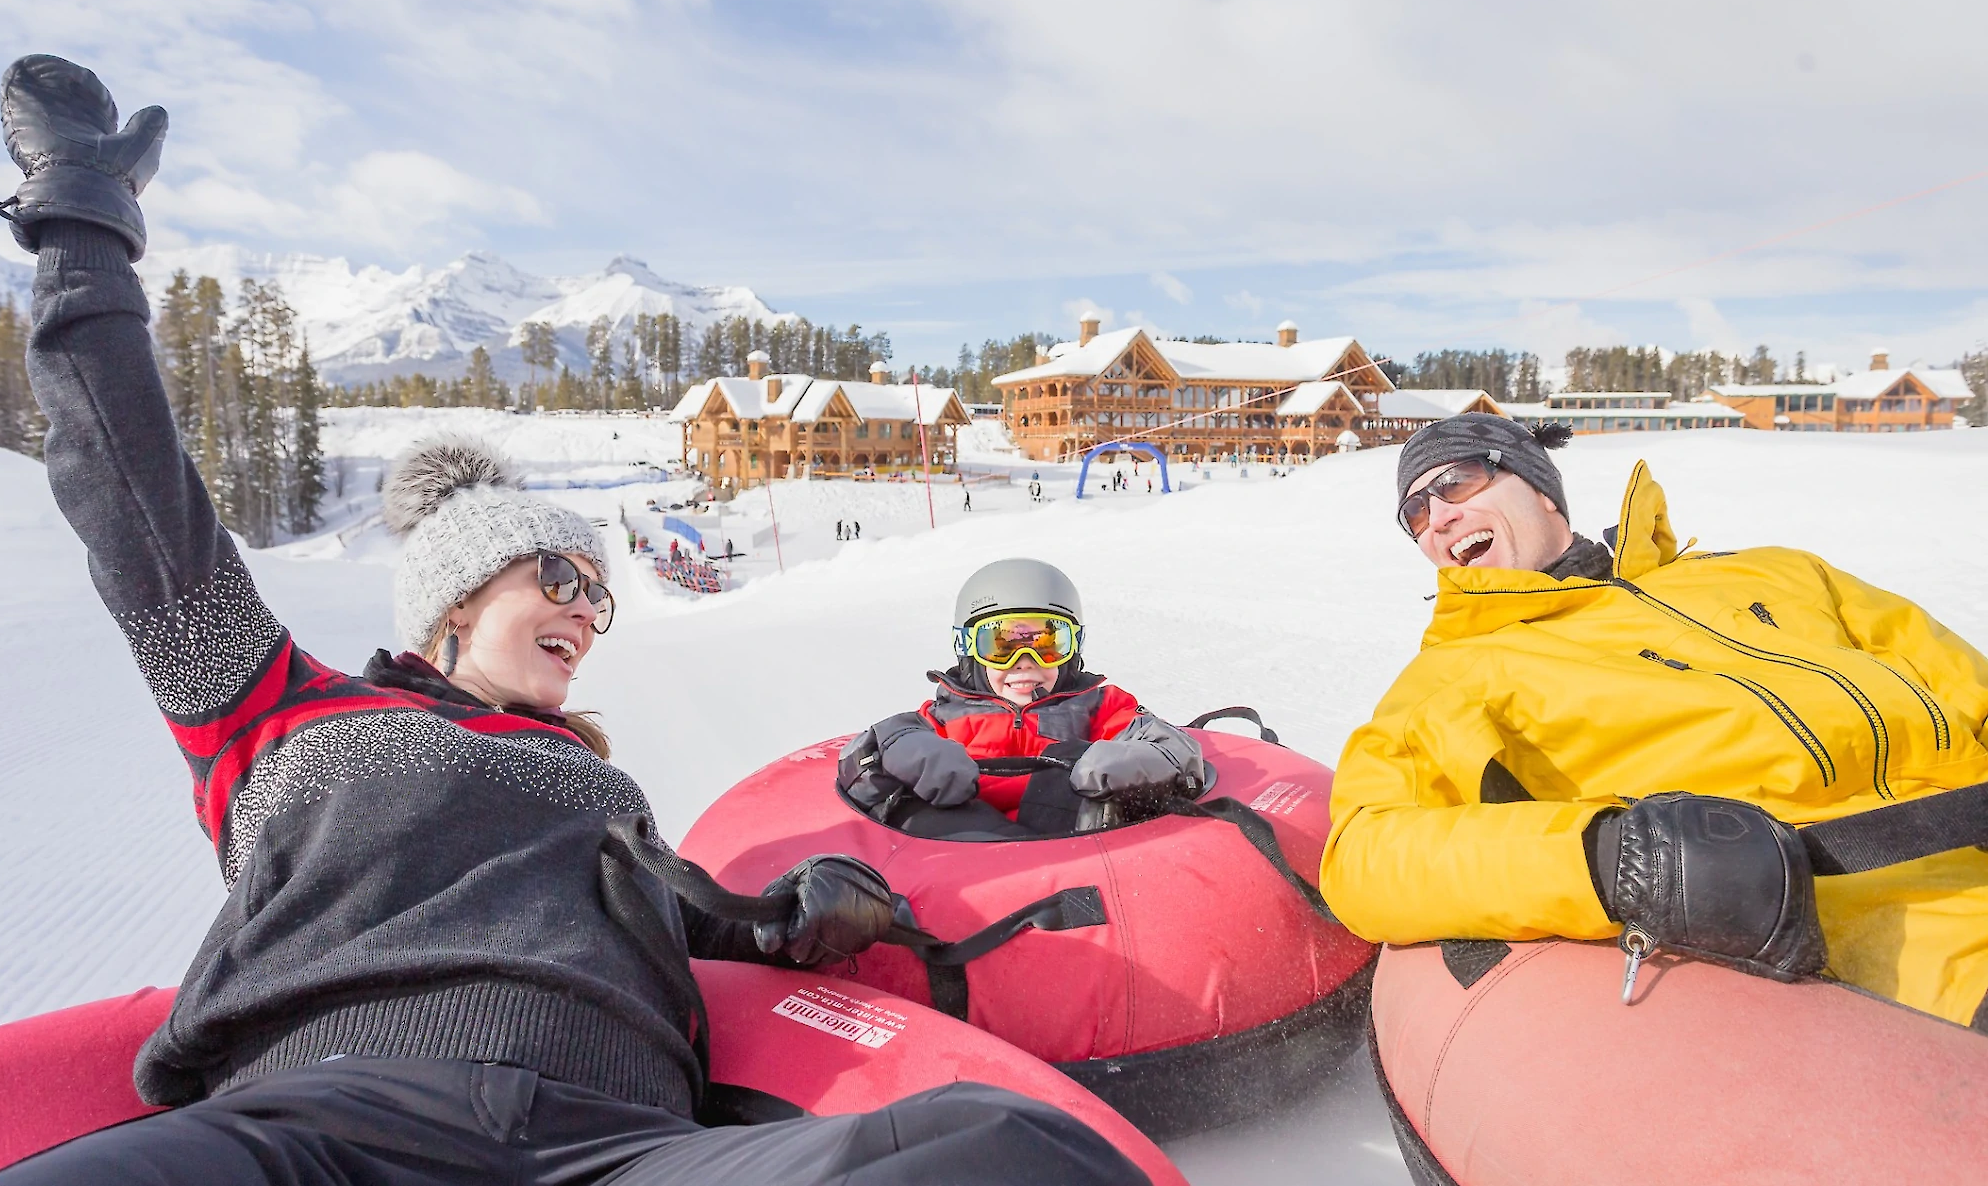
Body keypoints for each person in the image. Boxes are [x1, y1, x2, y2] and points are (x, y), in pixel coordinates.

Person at [0, 56, 1144, 1186]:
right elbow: (134, 502)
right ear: (452, 596)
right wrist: (86, 227)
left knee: (1010, 1151)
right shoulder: (279, 709)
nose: (589, 613)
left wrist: (785, 923)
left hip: (619, 1143)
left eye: (601, 595)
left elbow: (702, 927)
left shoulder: (603, 797)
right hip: (323, 1122)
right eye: (560, 577)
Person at [1322, 412, 1988, 1025]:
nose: (1435, 515)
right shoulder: (1459, 669)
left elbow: (1962, 676)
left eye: (1456, 481)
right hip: (1878, 930)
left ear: (1540, 490)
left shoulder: (1778, 571)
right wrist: (1613, 855)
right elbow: (1365, 853)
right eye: (1414, 510)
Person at [839, 559, 1204, 838]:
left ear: (1073, 648)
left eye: (1047, 643)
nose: (1025, 663)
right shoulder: (946, 718)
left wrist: (1125, 764)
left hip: (1074, 851)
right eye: (1001, 645)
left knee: (1070, 776)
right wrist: (904, 749)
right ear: (967, 650)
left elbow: (1171, 747)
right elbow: (871, 754)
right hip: (966, 859)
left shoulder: (1096, 707)